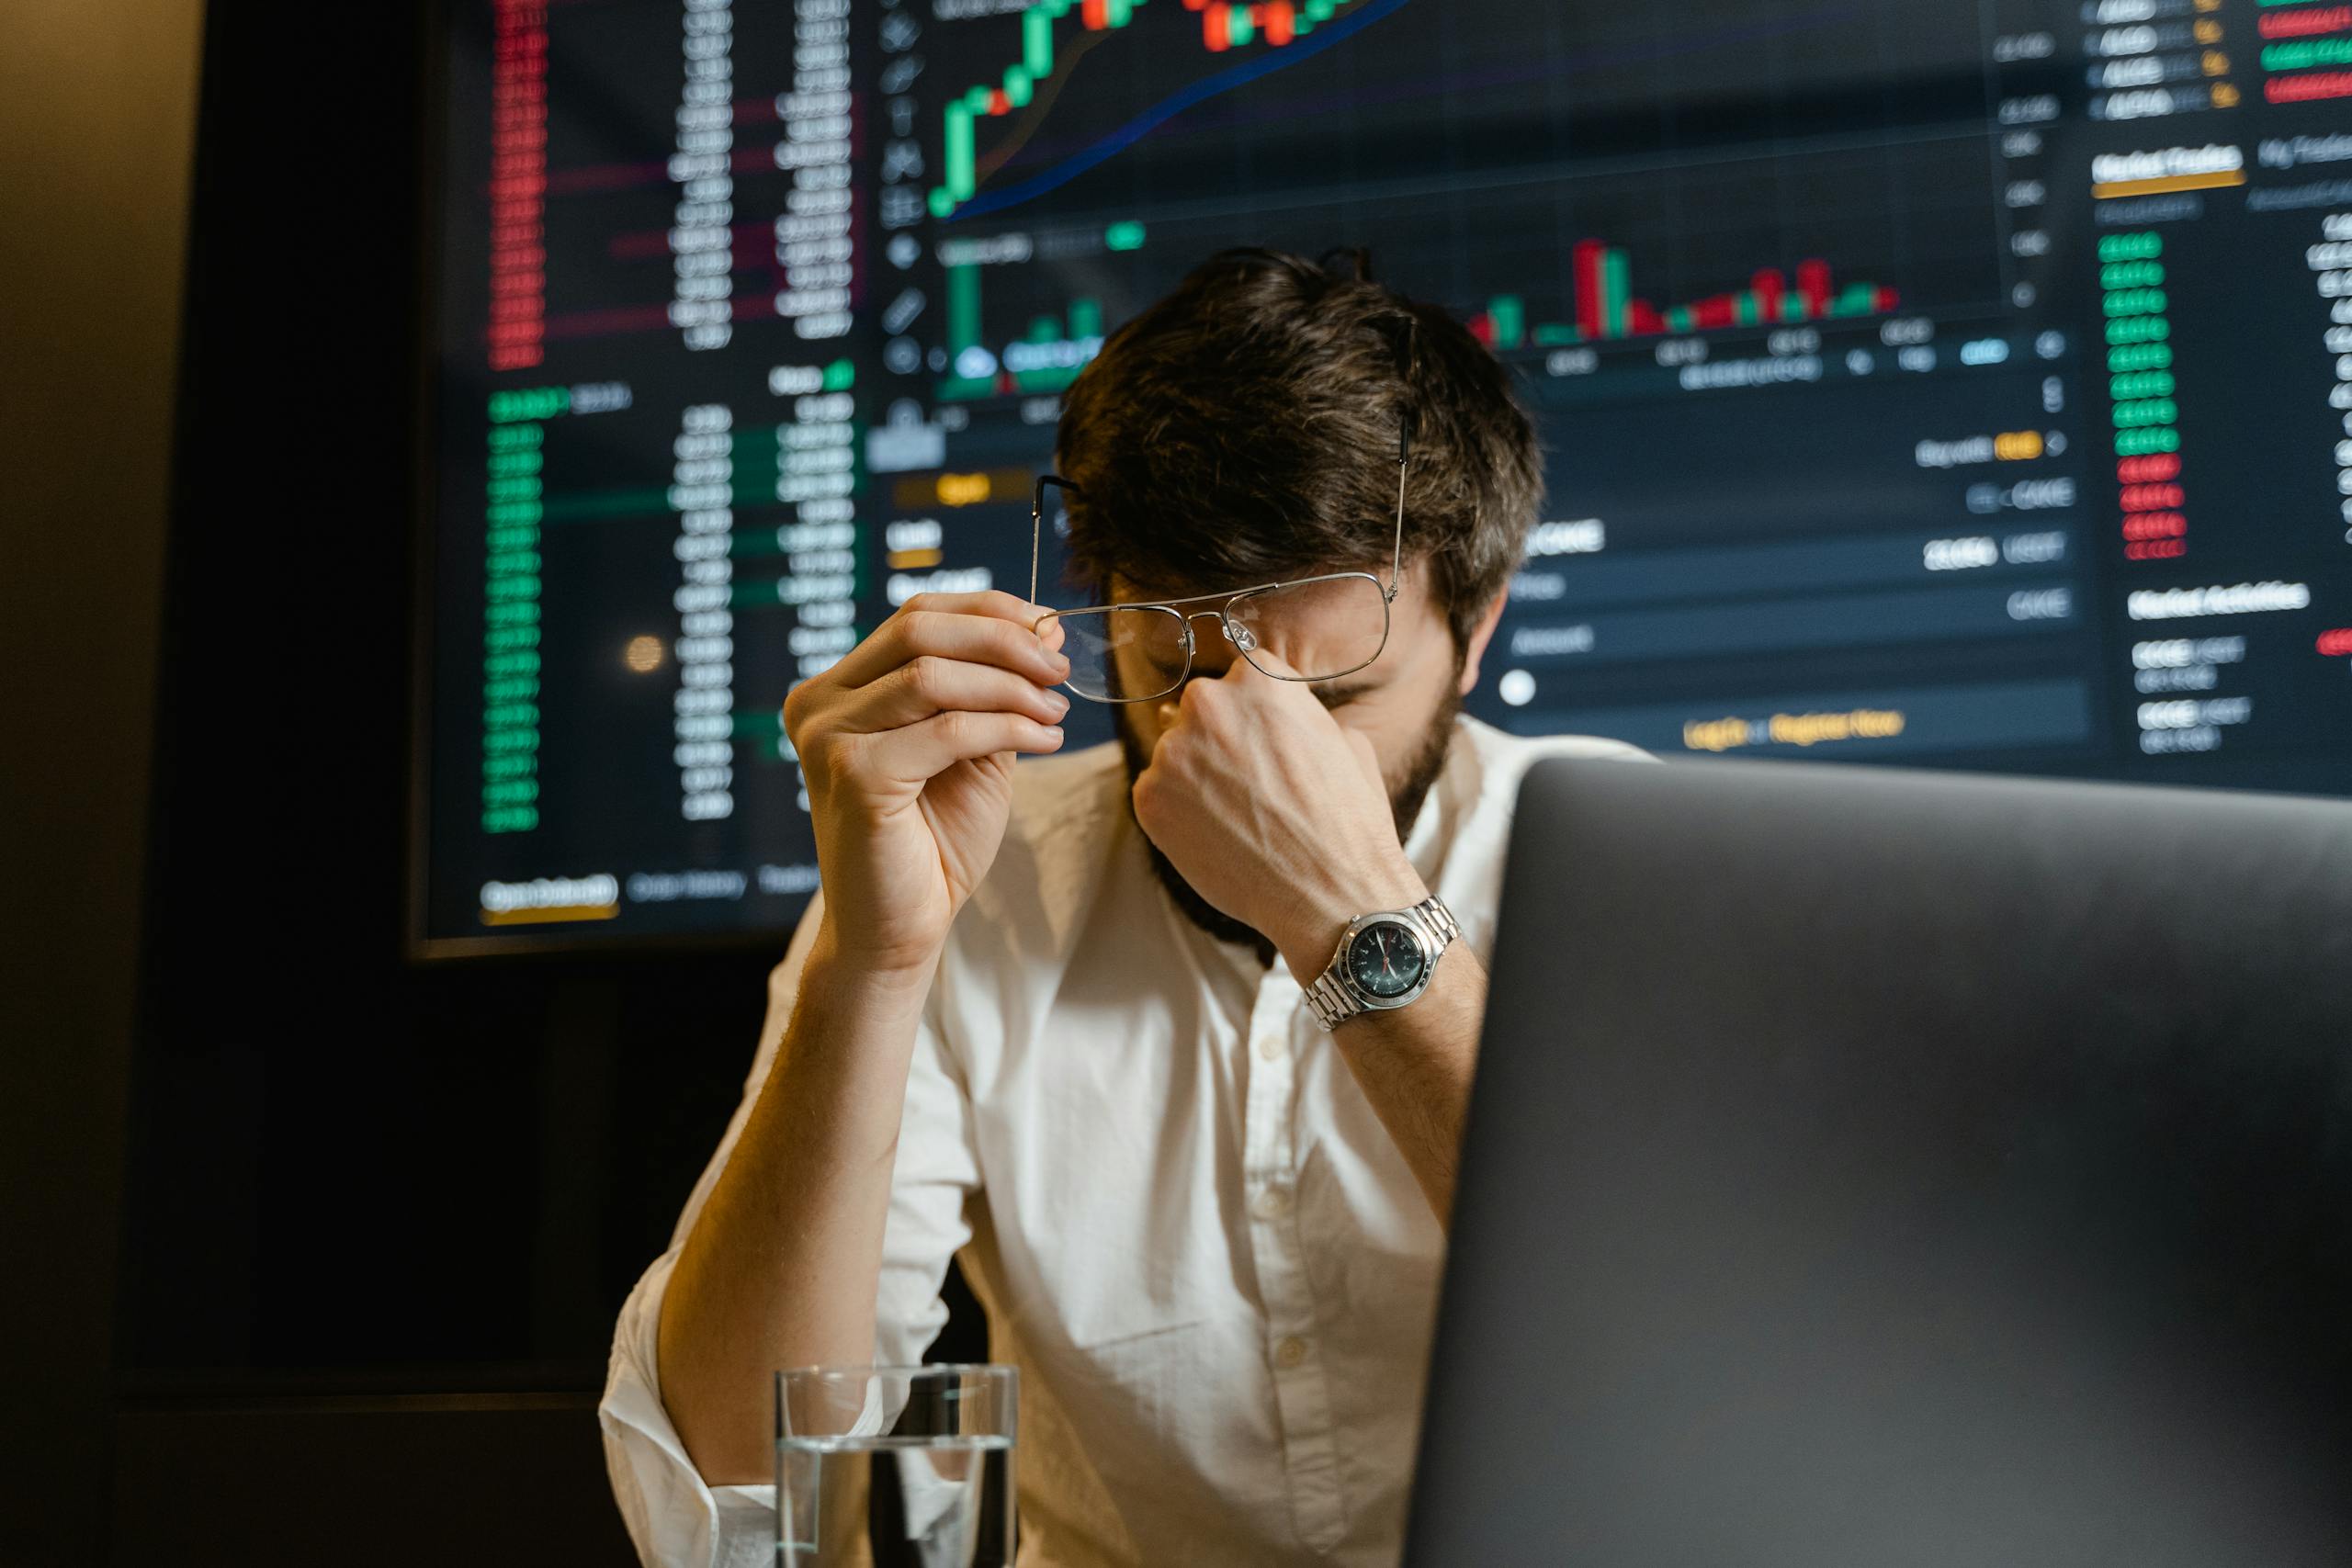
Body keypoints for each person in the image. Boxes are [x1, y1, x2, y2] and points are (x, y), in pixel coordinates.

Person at [601, 247, 1647, 1567]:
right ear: (1106, 610)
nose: (1239, 762)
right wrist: (873, 965)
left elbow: (1705, 1367)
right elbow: (733, 1493)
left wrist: (1350, 914)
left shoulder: (1625, 873)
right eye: (1171, 668)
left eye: (1326, 708)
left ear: (1481, 626)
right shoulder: (963, 878)